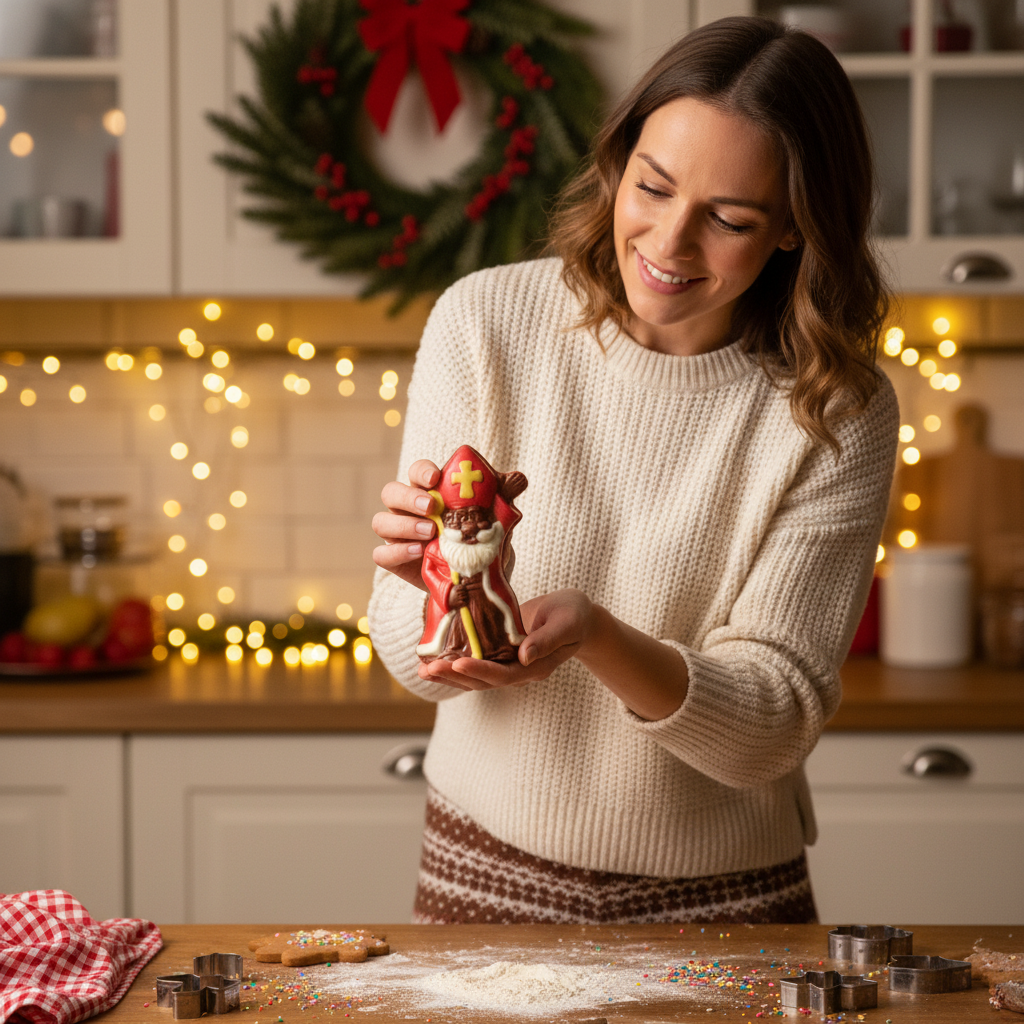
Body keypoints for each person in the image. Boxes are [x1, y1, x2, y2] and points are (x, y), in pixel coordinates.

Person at [367, 15, 899, 925]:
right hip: (481, 871)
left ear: (793, 229)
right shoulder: (484, 324)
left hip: (726, 899)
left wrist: (598, 638)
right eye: (652, 186)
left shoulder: (836, 409)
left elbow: (772, 725)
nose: (669, 242)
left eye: (729, 219)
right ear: (619, 165)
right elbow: (405, 654)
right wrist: (428, 594)